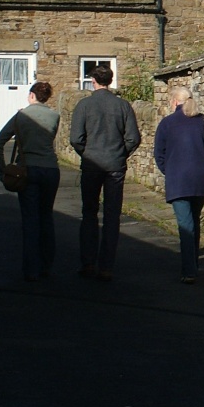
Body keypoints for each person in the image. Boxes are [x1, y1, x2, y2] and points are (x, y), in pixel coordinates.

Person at [70, 64, 141, 281]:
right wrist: (120, 154)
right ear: (110, 81)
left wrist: (87, 153)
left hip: (92, 164)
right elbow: (133, 138)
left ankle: (88, 262)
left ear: (93, 81)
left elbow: (75, 139)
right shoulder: (122, 106)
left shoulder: (84, 105)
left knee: (89, 213)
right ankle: (106, 266)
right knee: (112, 216)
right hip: (115, 165)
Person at [0, 82, 62, 282]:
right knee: (46, 217)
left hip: (28, 169)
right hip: (51, 169)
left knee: (31, 221)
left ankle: (31, 270)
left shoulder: (20, 116)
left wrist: (2, 170)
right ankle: (46, 265)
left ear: (32, 95)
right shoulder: (55, 116)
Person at [153, 86, 204, 284]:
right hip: (201, 177)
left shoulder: (167, 123)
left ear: (174, 101)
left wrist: (170, 170)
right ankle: (194, 264)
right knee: (194, 221)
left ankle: (189, 270)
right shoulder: (203, 120)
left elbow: (159, 154)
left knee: (185, 224)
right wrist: (202, 162)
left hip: (178, 179)